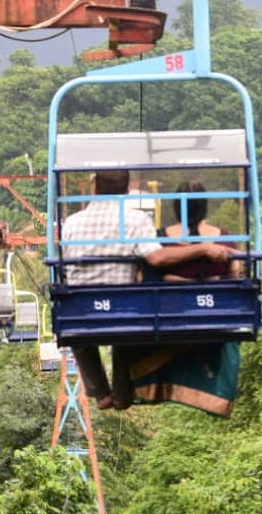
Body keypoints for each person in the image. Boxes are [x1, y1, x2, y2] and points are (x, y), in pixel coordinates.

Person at [60, 168, 232, 408]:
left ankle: (100, 392)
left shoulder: (71, 223)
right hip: (122, 305)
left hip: (82, 306)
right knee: (126, 330)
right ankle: (122, 393)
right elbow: (156, 259)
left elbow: (64, 261)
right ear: (127, 190)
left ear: (94, 189)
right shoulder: (135, 219)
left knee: (79, 333)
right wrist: (202, 249)